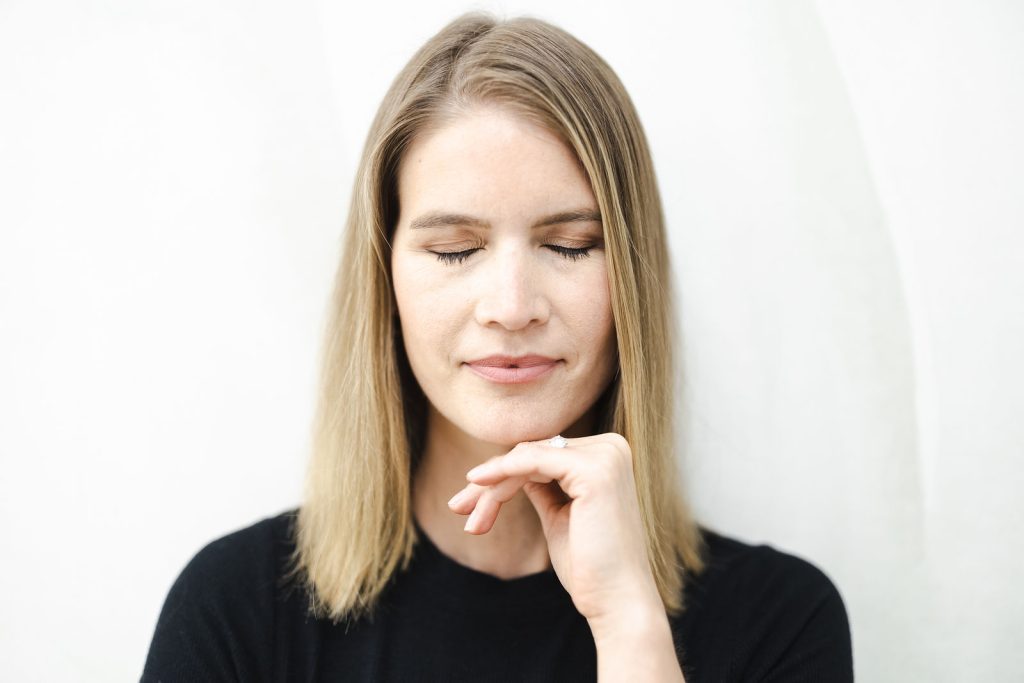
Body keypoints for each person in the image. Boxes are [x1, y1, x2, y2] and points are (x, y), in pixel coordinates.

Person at [142, 12, 853, 682]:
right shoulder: (234, 610)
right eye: (455, 251)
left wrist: (631, 628)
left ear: (631, 277)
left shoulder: (780, 620)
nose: (511, 307)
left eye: (570, 245)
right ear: (385, 277)